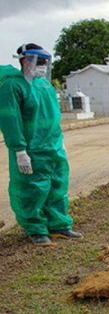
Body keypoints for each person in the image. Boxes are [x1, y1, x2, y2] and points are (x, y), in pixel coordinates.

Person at [0, 43, 81, 246]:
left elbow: (52, 117)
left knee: (57, 185)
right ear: (26, 61)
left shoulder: (45, 86)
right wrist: (19, 150)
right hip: (30, 149)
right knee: (31, 189)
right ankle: (35, 228)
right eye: (40, 61)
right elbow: (10, 120)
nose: (44, 66)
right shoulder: (13, 86)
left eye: (46, 62)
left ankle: (59, 225)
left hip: (52, 147)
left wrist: (59, 142)